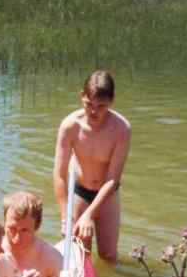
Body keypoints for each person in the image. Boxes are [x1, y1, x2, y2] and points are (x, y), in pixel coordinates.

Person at [53, 70, 131, 262]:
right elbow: (59, 175)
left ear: (111, 101)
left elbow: (113, 179)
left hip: (107, 194)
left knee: (108, 255)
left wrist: (89, 215)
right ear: (82, 96)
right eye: (89, 104)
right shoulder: (70, 126)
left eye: (101, 106)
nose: (93, 111)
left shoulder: (121, 129)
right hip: (79, 192)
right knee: (80, 255)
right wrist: (65, 218)